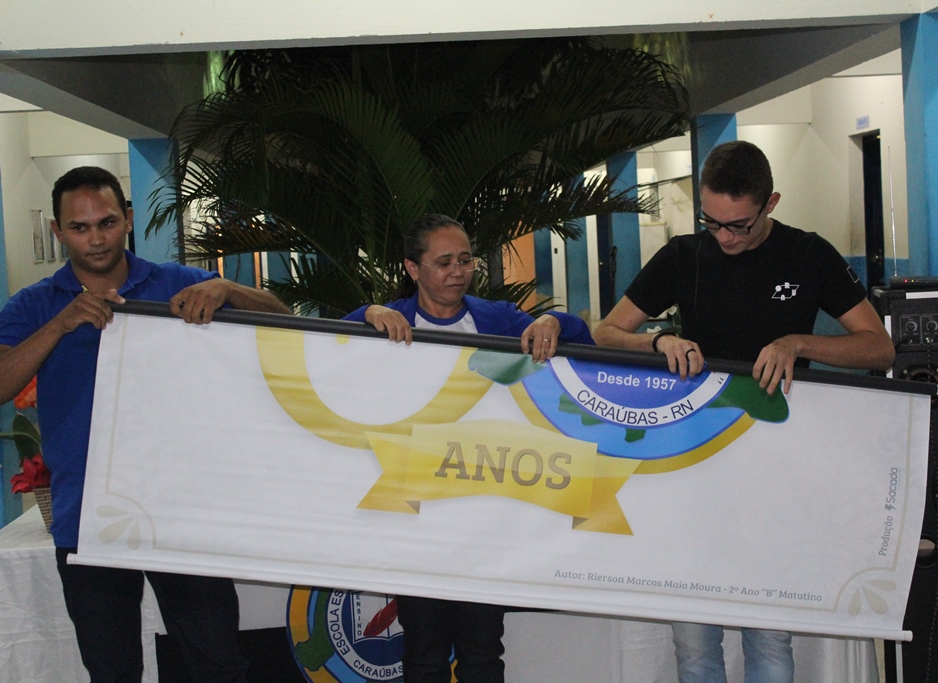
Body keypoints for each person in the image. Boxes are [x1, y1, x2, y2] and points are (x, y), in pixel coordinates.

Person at [592, 141, 895, 683]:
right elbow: (606, 332)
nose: (725, 237)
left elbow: (879, 348)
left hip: (776, 470)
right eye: (712, 222)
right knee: (694, 644)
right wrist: (659, 341)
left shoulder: (808, 254)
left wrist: (798, 342)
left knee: (769, 639)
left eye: (739, 225)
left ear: (770, 203)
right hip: (693, 464)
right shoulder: (683, 256)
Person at [0, 166, 293, 682]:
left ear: (129, 219)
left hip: (180, 508)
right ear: (58, 231)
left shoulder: (178, 282)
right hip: (87, 516)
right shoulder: (35, 304)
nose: (96, 238)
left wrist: (228, 289)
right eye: (80, 227)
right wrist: (60, 325)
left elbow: (284, 320)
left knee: (218, 663)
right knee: (112, 670)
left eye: (107, 222)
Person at [345, 213, 594, 683]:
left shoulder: (496, 318)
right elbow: (320, 353)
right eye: (444, 263)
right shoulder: (390, 321)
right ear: (413, 269)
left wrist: (551, 320)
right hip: (416, 517)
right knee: (424, 654)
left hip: (484, 517)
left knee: (483, 654)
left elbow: (581, 338)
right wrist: (367, 314)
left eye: (465, 260)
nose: (458, 272)